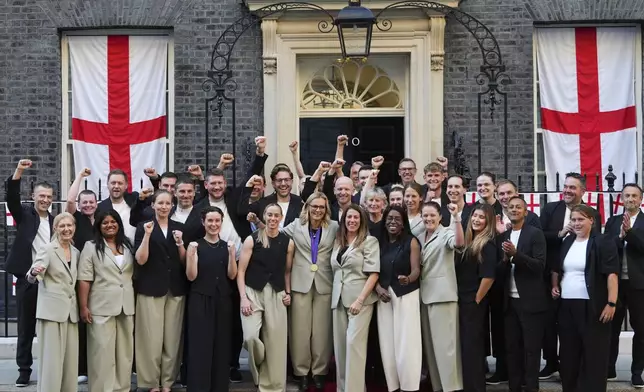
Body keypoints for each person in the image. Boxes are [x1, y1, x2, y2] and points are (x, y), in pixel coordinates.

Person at [539, 173, 601, 379]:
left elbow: (596, 243)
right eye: (565, 187)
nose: (567, 190)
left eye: (572, 187)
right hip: (551, 273)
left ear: (582, 191)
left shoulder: (592, 213)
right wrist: (560, 233)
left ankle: (575, 365)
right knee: (549, 322)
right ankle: (551, 362)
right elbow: (539, 236)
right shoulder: (550, 209)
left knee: (574, 327)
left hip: (579, 280)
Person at [551, 205, 619, 392]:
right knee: (568, 356)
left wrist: (611, 303)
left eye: (581, 219)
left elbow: (612, 274)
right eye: (573, 219)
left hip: (593, 306)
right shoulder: (567, 241)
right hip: (567, 306)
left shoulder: (603, 241)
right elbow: (558, 268)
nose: (576, 223)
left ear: (592, 221)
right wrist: (555, 285)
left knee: (594, 355)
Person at [4, 159, 54, 387]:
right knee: (26, 328)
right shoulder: (24, 215)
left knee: (50, 327)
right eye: (41, 196)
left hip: (51, 282)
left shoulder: (56, 221)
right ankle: (24, 370)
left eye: (48, 197)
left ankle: (50, 368)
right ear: (34, 197)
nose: (45, 200)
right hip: (27, 280)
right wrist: (19, 171)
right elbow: (12, 197)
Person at [282, 192, 338, 391]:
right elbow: (276, 235)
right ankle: (301, 372)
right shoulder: (296, 225)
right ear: (307, 207)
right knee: (300, 330)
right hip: (300, 283)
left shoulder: (334, 227)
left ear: (326, 209)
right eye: (314, 206)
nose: (318, 210)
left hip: (325, 283)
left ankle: (319, 372)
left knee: (322, 331)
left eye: (322, 207)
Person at [134, 190, 187, 392]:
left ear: (172, 206)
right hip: (150, 288)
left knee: (172, 339)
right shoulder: (143, 227)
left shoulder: (179, 228)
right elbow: (140, 259)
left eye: (168, 203)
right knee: (150, 338)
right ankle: (150, 382)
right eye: (160, 203)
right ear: (153, 205)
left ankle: (167, 382)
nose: (164, 207)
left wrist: (181, 243)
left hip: (175, 288)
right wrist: (147, 236)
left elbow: (184, 261)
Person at [237, 203, 294, 392]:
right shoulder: (252, 239)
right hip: (253, 292)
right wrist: (244, 298)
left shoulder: (288, 242)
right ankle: (260, 369)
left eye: (276, 215)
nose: (272, 218)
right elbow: (241, 271)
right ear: (264, 216)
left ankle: (274, 387)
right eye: (269, 215)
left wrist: (288, 293)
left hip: (277, 293)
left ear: (280, 217)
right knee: (251, 337)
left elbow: (287, 272)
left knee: (276, 344)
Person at [77, 210, 135, 392]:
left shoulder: (128, 245)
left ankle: (121, 388)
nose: (110, 225)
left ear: (119, 224)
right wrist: (84, 306)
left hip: (126, 306)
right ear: (99, 226)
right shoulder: (91, 246)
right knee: (102, 352)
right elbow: (84, 278)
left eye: (113, 222)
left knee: (124, 353)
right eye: (105, 223)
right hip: (101, 307)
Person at [185, 206, 238, 392]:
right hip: (200, 300)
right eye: (210, 220)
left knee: (221, 344)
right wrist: (191, 256)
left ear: (221, 222)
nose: (214, 224)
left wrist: (232, 255)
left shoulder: (226, 246)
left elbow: (232, 275)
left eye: (217, 221)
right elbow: (191, 276)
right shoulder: (196, 245)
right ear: (203, 222)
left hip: (222, 300)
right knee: (201, 345)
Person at [27, 212, 80, 392]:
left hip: (71, 313)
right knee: (51, 361)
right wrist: (35, 272)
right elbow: (32, 275)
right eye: (62, 226)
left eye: (70, 225)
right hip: (51, 313)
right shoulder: (48, 249)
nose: (67, 229)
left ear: (74, 228)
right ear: (55, 228)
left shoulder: (76, 252)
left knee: (70, 362)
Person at [499, 196, 548, 392]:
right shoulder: (504, 236)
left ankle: (531, 387)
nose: (514, 210)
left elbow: (539, 266)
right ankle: (514, 386)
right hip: (509, 302)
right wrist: (504, 260)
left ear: (526, 212)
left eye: (519, 207)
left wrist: (516, 255)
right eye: (511, 207)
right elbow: (499, 271)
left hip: (530, 302)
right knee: (512, 348)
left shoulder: (535, 234)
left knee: (531, 349)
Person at [331, 204, 380, 392]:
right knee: (341, 348)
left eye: (356, 218)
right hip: (338, 299)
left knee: (354, 345)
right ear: (343, 221)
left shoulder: (369, 241)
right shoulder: (338, 242)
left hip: (360, 300)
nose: (352, 221)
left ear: (362, 221)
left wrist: (360, 300)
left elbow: (374, 273)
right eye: (349, 217)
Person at [419, 201, 464, 392]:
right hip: (424, 297)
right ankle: (438, 387)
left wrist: (457, 218)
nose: (428, 219)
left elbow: (459, 243)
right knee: (431, 348)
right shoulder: (420, 236)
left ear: (440, 217)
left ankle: (451, 387)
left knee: (446, 348)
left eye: (432, 215)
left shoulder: (446, 232)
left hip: (443, 296)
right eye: (425, 215)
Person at [375, 205, 422, 392]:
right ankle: (393, 385)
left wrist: (408, 278)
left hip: (406, 294)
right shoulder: (378, 243)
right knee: (387, 343)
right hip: (384, 295)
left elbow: (417, 269)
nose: (392, 222)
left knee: (407, 342)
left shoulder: (411, 242)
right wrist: (378, 288)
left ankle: (409, 386)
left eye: (397, 219)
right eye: (389, 218)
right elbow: (371, 270)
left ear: (403, 223)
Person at [605, 183, 644, 387]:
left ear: (640, 199)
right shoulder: (612, 221)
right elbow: (607, 247)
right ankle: (609, 368)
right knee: (611, 328)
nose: (630, 199)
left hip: (639, 285)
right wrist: (620, 236)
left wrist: (630, 233)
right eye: (627, 195)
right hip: (616, 283)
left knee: (641, 329)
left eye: (634, 196)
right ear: (622, 198)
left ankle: (637, 372)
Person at [456, 203, 497, 392]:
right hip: (462, 300)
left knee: (472, 347)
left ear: (488, 222)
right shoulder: (468, 241)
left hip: (473, 302)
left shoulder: (487, 243)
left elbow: (488, 277)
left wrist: (476, 300)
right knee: (465, 346)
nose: (476, 220)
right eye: (475, 216)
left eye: (481, 217)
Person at [66, 167, 98, 385]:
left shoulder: (104, 219)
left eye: (91, 202)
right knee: (81, 322)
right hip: (80, 277)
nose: (87, 205)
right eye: (84, 202)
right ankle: (81, 367)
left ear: (96, 203)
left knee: (97, 322)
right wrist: (79, 177)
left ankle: (97, 364)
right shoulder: (75, 219)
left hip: (101, 277)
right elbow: (68, 202)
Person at [98, 169, 139, 243]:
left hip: (136, 250)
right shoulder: (100, 207)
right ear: (107, 184)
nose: (116, 186)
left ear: (126, 185)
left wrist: (155, 178)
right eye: (113, 183)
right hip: (112, 250)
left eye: (120, 183)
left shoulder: (134, 200)